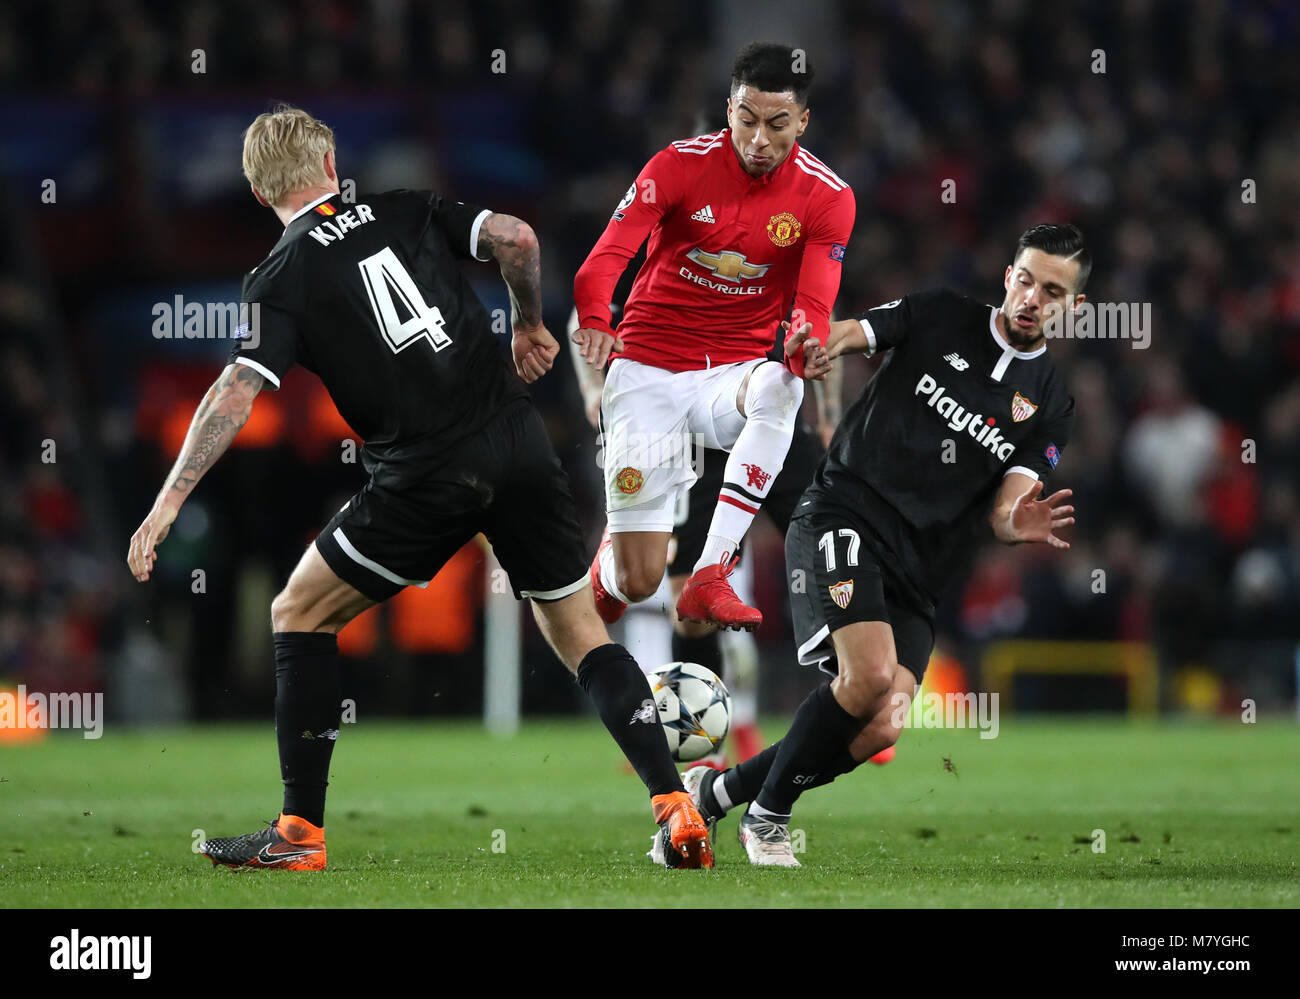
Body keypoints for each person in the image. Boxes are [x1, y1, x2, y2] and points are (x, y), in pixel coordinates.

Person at [126, 105, 714, 871]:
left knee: (296, 612)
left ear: (256, 188)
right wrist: (528, 323)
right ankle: (675, 808)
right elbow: (518, 237)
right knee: (579, 633)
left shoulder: (281, 276)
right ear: (330, 159)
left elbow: (239, 387)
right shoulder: (403, 205)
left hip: (425, 472)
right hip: (517, 440)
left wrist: (169, 501)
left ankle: (299, 833)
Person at [683, 224, 1085, 866]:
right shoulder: (941, 314)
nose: (1034, 298)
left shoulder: (1052, 404)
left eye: (1054, 291)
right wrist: (818, 347)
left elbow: (1007, 506)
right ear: (1009, 276)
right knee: (867, 675)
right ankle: (768, 819)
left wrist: (1016, 524)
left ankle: (717, 791)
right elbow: (853, 332)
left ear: (1073, 309)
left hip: (921, 572)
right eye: (1028, 280)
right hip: (846, 510)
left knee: (883, 723)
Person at [571, 41, 855, 634]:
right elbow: (601, 265)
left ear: (802, 121)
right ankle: (605, 576)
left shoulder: (827, 197)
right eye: (746, 120)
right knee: (640, 580)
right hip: (646, 372)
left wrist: (808, 343)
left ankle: (710, 572)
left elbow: (814, 308)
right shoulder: (677, 165)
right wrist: (597, 318)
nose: (758, 140)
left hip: (728, 377)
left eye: (777, 125)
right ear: (729, 109)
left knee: (782, 385)